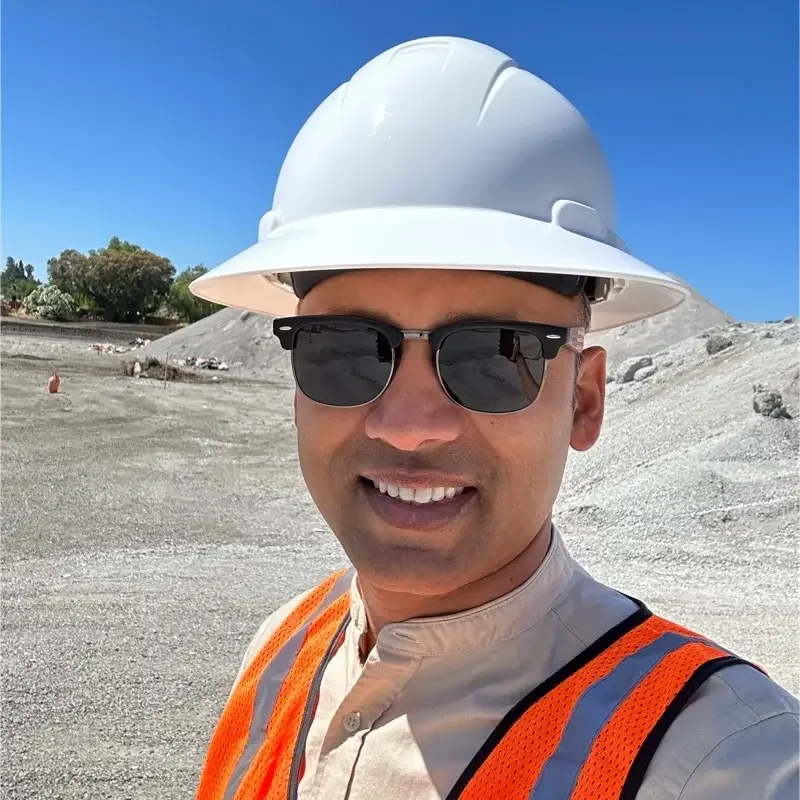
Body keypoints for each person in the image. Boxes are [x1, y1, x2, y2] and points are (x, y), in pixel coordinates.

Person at [190, 36, 799, 800]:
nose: (409, 424)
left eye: (493, 355)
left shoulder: (721, 757)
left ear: (584, 398)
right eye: (343, 350)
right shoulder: (279, 651)